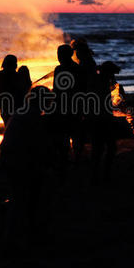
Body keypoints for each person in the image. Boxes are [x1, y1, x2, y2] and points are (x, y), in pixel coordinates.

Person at [0, 86, 54, 247]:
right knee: (24, 200)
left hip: (11, 158)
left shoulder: (23, 113)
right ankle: (17, 238)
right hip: (19, 160)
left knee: (20, 198)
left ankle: (16, 236)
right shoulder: (33, 117)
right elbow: (36, 145)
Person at [52, 44, 82, 175]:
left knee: (64, 134)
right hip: (74, 106)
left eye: (59, 54)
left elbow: (56, 90)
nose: (58, 57)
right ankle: (76, 159)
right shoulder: (77, 68)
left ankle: (66, 158)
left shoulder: (59, 69)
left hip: (64, 107)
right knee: (74, 134)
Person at [89, 61, 121, 184]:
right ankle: (103, 174)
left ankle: (96, 175)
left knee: (98, 148)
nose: (113, 77)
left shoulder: (97, 81)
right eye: (112, 74)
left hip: (97, 119)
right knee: (108, 148)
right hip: (101, 120)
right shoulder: (101, 84)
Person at [0, 55, 25, 125]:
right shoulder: (17, 76)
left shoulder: (0, 74)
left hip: (4, 105)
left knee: (7, 123)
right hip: (15, 105)